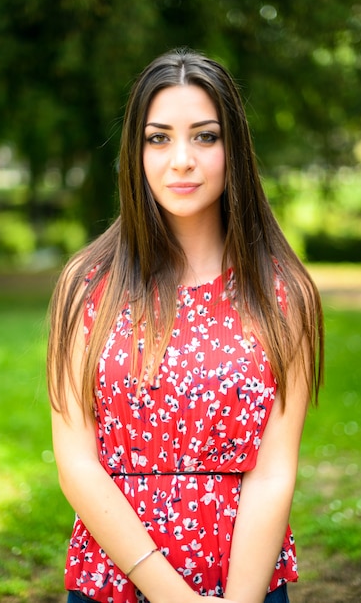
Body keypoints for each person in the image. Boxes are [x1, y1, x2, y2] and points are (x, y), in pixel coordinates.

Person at [47, 48, 324, 603]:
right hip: (116, 579)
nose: (181, 160)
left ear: (234, 150)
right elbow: (77, 464)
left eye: (204, 136)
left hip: (244, 578)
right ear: (135, 152)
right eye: (158, 138)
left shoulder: (284, 295)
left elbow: (272, 474)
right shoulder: (86, 286)